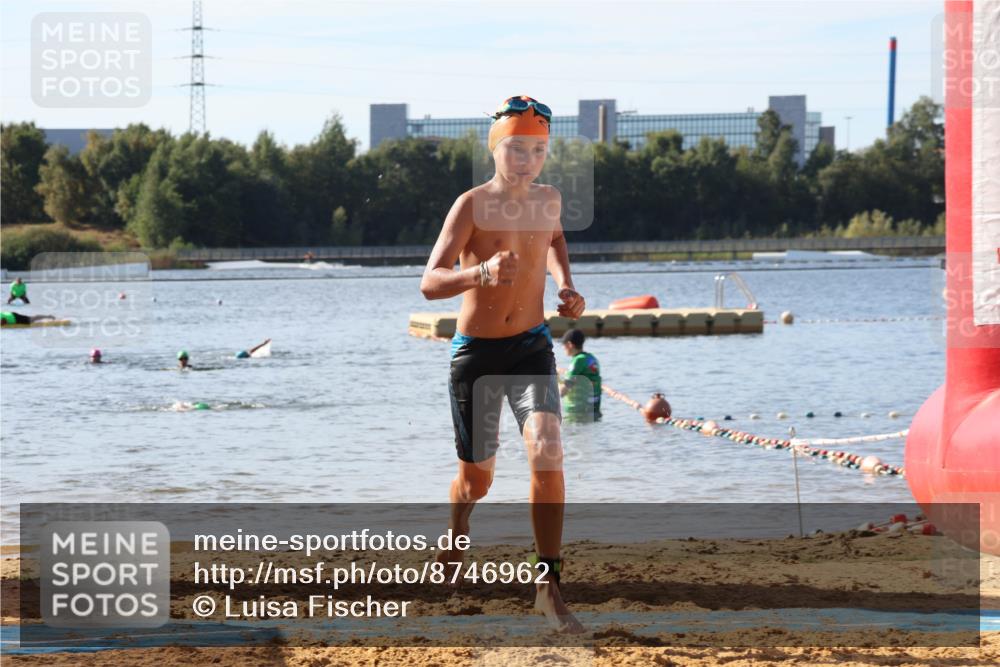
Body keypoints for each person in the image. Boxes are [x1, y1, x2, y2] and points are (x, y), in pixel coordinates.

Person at [420, 95, 586, 633]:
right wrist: (481, 273)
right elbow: (430, 283)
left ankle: (547, 585)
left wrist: (565, 286)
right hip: (477, 355)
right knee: (477, 481)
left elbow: (556, 240)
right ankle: (457, 529)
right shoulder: (470, 205)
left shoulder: (550, 200)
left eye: (537, 150)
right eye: (516, 148)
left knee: (548, 447)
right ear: (496, 149)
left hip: (532, 345)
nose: (527, 159)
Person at [559, 329, 601, 422]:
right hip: (594, 412)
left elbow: (562, 392)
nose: (563, 348)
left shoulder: (578, 361)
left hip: (578, 416)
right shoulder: (592, 358)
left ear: (570, 345)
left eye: (563, 345)